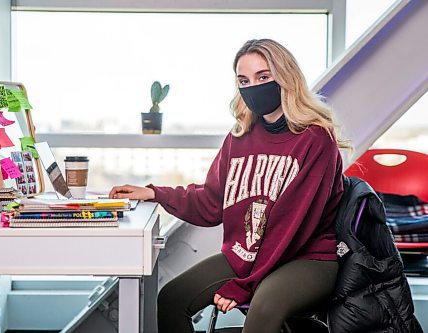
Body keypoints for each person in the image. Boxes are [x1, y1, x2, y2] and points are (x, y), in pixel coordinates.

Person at [109, 39, 351, 333]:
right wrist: (155, 193)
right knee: (172, 299)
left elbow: (292, 225)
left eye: (263, 77)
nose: (254, 87)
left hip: (305, 258)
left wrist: (245, 286)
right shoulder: (240, 136)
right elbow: (212, 202)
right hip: (247, 256)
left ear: (286, 77)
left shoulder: (315, 140)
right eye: (244, 80)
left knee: (263, 311)